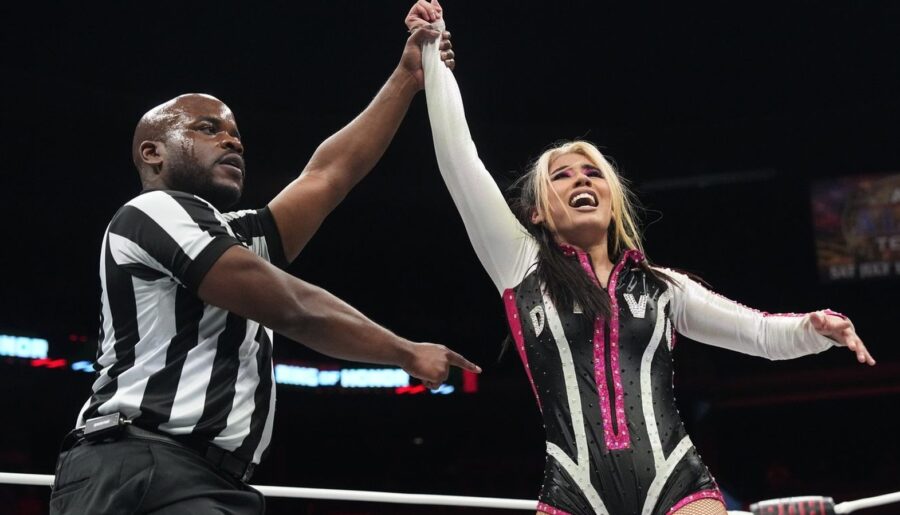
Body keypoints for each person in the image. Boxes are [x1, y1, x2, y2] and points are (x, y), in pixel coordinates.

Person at [409, 3, 876, 514]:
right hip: (573, 492)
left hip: (678, 484)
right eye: (562, 175)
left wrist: (814, 328)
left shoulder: (663, 287)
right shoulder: (520, 267)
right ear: (537, 211)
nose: (582, 179)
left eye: (593, 173)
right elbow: (458, 159)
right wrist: (434, 51)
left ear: (612, 200)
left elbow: (761, 334)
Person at [49, 4, 475, 514]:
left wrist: (406, 78)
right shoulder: (150, 212)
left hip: (200, 477)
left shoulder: (231, 235)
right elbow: (290, 307)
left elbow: (329, 175)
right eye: (207, 128)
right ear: (153, 153)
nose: (231, 139)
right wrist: (405, 352)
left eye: (235, 134)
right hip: (142, 465)